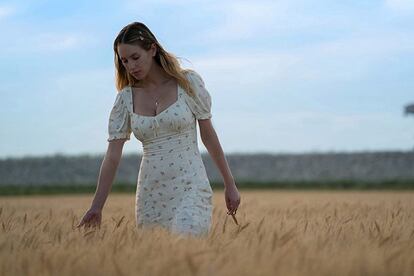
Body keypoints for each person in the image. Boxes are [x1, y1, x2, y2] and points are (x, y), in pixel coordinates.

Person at [76, 22, 240, 238]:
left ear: (152, 49)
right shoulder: (125, 99)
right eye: (124, 61)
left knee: (186, 246)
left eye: (135, 57)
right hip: (150, 193)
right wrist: (96, 207)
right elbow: (113, 156)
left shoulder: (187, 83)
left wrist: (230, 184)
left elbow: (208, 136)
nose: (131, 66)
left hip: (190, 186)